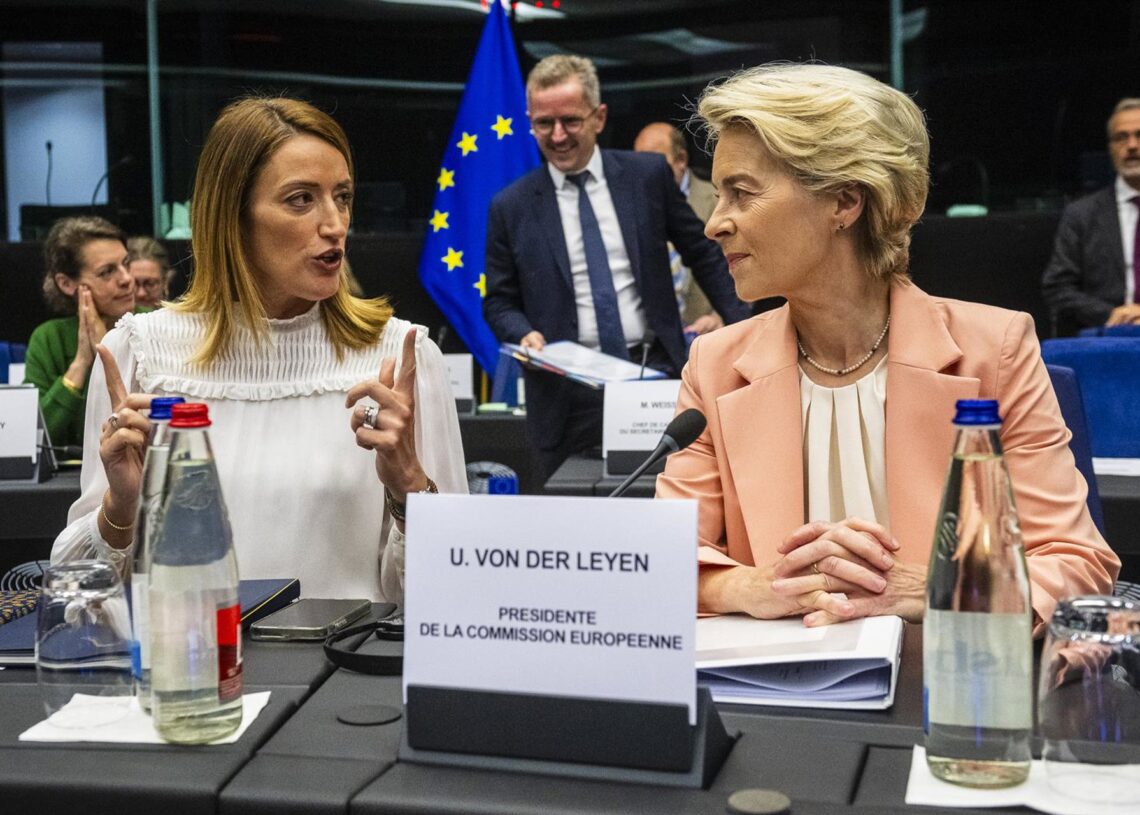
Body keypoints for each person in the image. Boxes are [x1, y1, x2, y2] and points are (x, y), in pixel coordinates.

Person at [656, 63, 1119, 632]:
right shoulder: (716, 365)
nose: (714, 224)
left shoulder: (993, 350)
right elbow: (663, 561)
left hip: (945, 694)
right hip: (774, 704)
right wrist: (753, 585)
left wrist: (937, 590)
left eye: (741, 194)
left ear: (845, 202)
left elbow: (1075, 562)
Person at [52, 97, 466, 604]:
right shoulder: (139, 357)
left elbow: (451, 598)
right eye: (301, 200)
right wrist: (121, 508)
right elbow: (75, 600)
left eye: (342, 197)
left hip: (346, 679)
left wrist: (409, 488)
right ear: (232, 216)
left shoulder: (400, 358)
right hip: (194, 675)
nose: (335, 224)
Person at [484, 55, 750, 480]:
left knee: (669, 510)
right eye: (543, 124)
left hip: (654, 377)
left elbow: (704, 253)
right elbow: (498, 300)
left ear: (599, 117)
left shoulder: (646, 177)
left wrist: (743, 333)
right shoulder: (510, 207)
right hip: (566, 395)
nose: (557, 136)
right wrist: (521, 333)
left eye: (570, 121)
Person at [25, 216, 136, 450]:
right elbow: (31, 440)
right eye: (107, 272)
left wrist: (108, 350)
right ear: (67, 283)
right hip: (65, 483)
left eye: (127, 263)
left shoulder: (151, 324)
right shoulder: (48, 338)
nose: (127, 279)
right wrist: (82, 361)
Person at [1042, 98, 1140, 333]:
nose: (1132, 145)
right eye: (1121, 137)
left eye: (1139, 134)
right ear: (1110, 148)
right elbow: (1057, 288)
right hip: (1107, 335)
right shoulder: (1082, 214)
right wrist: (1112, 314)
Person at [633, 121, 725, 335]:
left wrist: (720, 317)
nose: (645, 172)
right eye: (639, 163)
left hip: (709, 334)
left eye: (654, 162)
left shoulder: (718, 200)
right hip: (657, 339)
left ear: (681, 160)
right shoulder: (632, 208)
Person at [127, 236, 175, 309]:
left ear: (165, 282)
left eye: (150, 284)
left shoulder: (180, 319)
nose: (141, 293)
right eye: (133, 284)